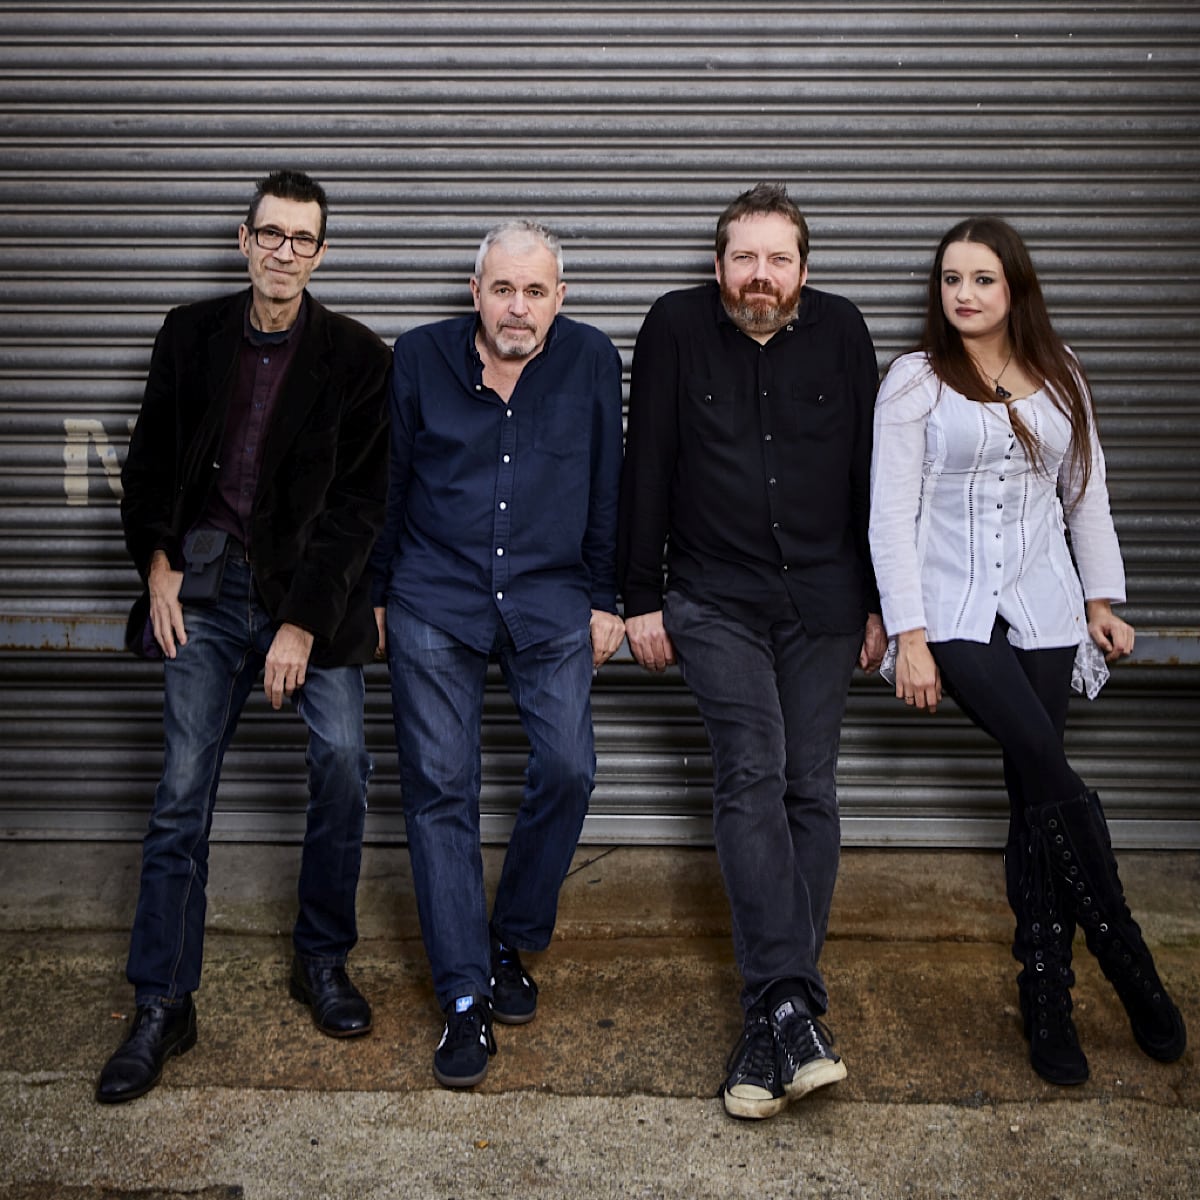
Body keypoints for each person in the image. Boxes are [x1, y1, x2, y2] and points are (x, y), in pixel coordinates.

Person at [96, 169, 392, 1105]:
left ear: (322, 252)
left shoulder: (357, 358)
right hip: (209, 590)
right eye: (271, 234)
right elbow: (147, 471)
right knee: (182, 786)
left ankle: (321, 959)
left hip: (313, 596)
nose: (285, 252)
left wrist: (301, 622)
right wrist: (157, 566)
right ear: (243, 238)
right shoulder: (190, 335)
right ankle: (161, 1002)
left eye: (303, 239)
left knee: (345, 763)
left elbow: (358, 511)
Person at [868, 216, 1186, 1086]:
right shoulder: (912, 383)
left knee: (1032, 797)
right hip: (953, 611)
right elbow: (889, 517)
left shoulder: (1062, 373)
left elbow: (1086, 496)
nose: (963, 295)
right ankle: (1131, 964)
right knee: (1048, 769)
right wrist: (910, 635)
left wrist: (1099, 601)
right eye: (949, 280)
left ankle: (1047, 993)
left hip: (1044, 604)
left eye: (981, 279)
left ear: (1015, 289)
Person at [618, 183, 886, 1121]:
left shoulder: (845, 333)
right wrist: (640, 597)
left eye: (778, 260)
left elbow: (871, 476)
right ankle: (790, 999)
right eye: (744, 258)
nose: (759, 277)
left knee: (811, 784)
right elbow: (644, 459)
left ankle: (775, 1017)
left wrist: (884, 604)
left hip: (823, 599)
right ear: (718, 264)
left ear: (803, 271)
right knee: (753, 768)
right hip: (711, 594)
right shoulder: (675, 327)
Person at [370, 219, 625, 1089]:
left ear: (562, 298)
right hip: (434, 595)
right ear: (474, 292)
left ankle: (510, 936)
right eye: (503, 290)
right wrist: (373, 594)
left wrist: (604, 598)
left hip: (552, 595)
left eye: (536, 291)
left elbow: (606, 486)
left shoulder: (591, 361)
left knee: (568, 769)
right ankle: (465, 997)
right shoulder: (420, 357)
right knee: (441, 789)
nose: (518, 308)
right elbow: (391, 478)